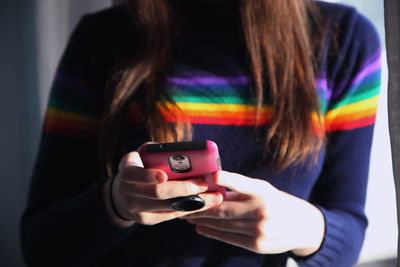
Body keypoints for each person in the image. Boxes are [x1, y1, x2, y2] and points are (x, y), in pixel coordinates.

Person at [20, 0, 381, 266]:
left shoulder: (343, 40)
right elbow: (41, 245)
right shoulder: (102, 38)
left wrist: (305, 228)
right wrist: (116, 204)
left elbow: (348, 233)